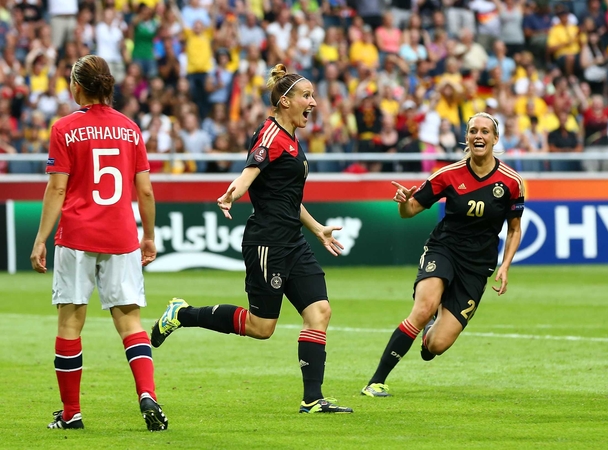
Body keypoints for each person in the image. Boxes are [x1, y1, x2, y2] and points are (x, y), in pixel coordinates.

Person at [149, 64, 353, 414]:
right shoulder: (270, 135)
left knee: (320, 311)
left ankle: (312, 399)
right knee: (261, 327)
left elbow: (286, 198)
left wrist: (316, 228)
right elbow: (249, 172)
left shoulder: (291, 137)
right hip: (267, 243)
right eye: (306, 96)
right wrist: (233, 193)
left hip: (293, 241)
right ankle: (182, 314)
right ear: (285, 101)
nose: (314, 103)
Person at [29, 55, 167, 431]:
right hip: (121, 237)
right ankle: (148, 394)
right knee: (130, 322)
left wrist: (41, 239)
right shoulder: (130, 129)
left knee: (70, 324)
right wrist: (148, 235)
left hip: (76, 236)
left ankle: (71, 413)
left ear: (77, 87)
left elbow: (57, 188)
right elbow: (146, 191)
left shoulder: (64, 128)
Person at [361, 112, 525, 397]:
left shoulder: (512, 182)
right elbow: (410, 210)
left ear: (495, 139)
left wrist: (505, 265)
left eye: (485, 131)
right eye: (473, 131)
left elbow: (514, 229)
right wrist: (403, 202)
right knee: (423, 309)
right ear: (466, 137)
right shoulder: (447, 174)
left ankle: (430, 333)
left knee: (437, 346)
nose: (478, 136)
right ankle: (376, 381)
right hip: (444, 250)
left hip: (477, 266)